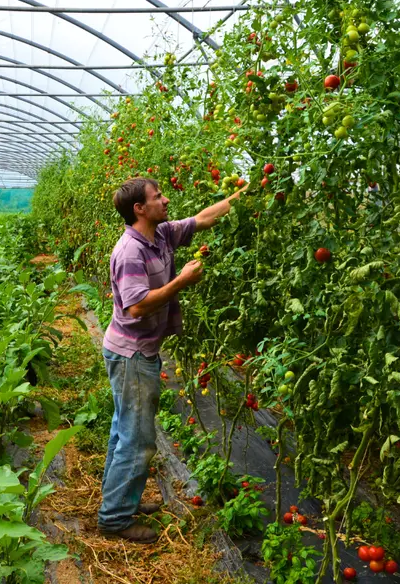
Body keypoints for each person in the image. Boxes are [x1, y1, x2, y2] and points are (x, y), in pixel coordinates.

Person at [97, 176, 248, 543]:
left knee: (123, 430)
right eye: (157, 196)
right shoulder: (130, 251)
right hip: (131, 355)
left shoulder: (160, 234)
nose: (165, 200)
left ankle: (119, 502)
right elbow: (136, 306)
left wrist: (243, 198)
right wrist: (180, 281)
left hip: (136, 350)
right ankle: (115, 519)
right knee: (137, 440)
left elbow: (202, 218)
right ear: (139, 209)